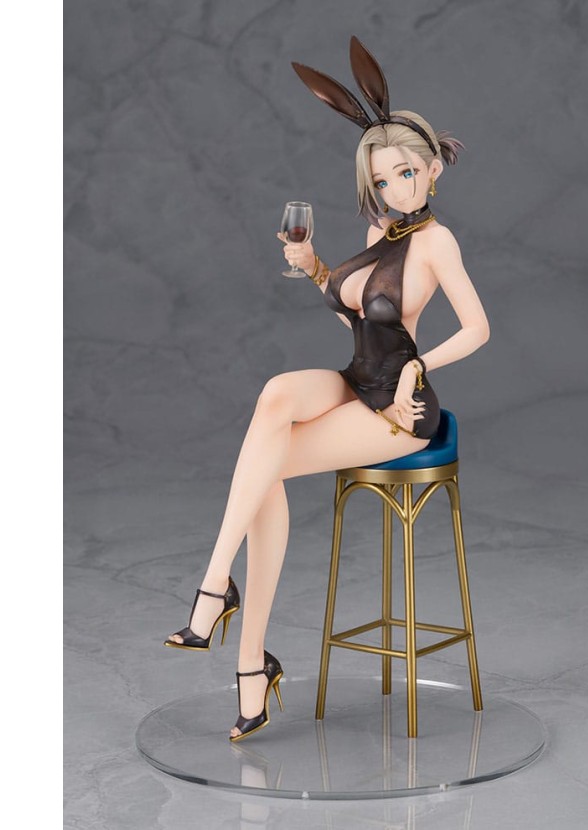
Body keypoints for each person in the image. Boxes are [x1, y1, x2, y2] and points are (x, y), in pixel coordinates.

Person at [163, 36, 490, 743]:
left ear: (433, 169)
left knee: (264, 466)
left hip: (399, 408)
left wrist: (418, 368)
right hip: (355, 380)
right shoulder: (381, 229)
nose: (396, 188)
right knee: (275, 397)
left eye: (407, 172)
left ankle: (228, 622)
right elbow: (360, 315)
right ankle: (230, 616)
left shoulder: (438, 242)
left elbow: (478, 329)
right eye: (383, 180)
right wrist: (314, 267)